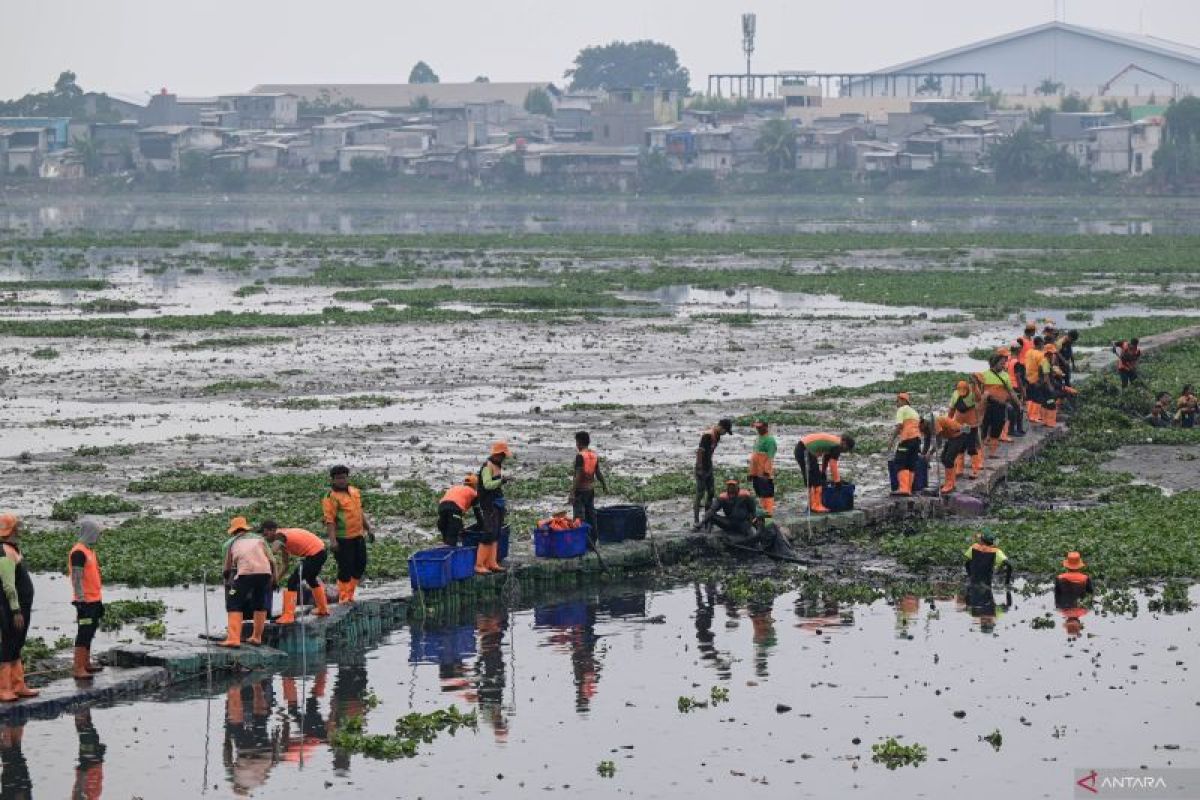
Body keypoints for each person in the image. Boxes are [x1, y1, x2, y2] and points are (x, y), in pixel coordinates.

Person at [260, 521, 329, 625]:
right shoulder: (283, 540)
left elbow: (272, 551)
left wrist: (257, 552)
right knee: (311, 579)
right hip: (320, 552)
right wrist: (275, 580)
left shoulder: (280, 536)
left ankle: (288, 615)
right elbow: (285, 565)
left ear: (273, 530)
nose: (265, 537)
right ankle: (323, 609)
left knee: (292, 582)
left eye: (266, 534)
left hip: (316, 553)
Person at [220, 517, 274, 648]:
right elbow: (272, 561)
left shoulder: (230, 543)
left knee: (233, 603)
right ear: (245, 528)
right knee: (259, 604)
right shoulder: (260, 540)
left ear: (233, 531)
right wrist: (274, 579)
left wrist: (227, 579)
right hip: (265, 574)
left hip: (245, 575)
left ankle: (233, 639)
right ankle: (256, 637)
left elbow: (227, 568)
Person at [323, 465, 373, 604]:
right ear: (332, 480)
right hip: (343, 539)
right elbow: (330, 521)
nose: (341, 480)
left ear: (347, 478)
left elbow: (359, 512)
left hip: (358, 535)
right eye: (338, 478)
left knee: (360, 565)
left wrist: (368, 528)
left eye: (343, 477)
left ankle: (350, 594)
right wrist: (333, 541)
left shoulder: (354, 491)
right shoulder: (331, 497)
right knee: (345, 568)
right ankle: (343, 597)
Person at [0, 516, 35, 702]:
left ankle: (18, 685)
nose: (19, 531)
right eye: (16, 528)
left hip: (22, 606)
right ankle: (4, 688)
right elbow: (8, 586)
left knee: (17, 644)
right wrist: (16, 611)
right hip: (10, 609)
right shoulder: (4, 552)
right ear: (10, 530)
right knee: (8, 644)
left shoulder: (12, 549)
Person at [68, 519, 105, 681]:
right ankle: (78, 668)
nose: (98, 537)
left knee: (90, 631)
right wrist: (81, 601)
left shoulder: (90, 551)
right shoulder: (78, 552)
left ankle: (86, 663)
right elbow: (76, 578)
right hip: (85, 602)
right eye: (97, 534)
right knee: (83, 632)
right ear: (90, 533)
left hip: (94, 599)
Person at [794, 432, 855, 513]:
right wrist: (837, 481)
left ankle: (812, 504)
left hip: (802, 449)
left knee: (812, 477)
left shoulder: (834, 443)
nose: (845, 451)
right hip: (805, 450)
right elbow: (833, 464)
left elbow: (826, 458)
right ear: (844, 443)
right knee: (814, 478)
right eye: (847, 449)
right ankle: (816, 505)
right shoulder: (837, 446)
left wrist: (823, 472)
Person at [477, 441, 513, 574]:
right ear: (497, 454)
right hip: (489, 503)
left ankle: (492, 563)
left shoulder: (497, 465)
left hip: (497, 502)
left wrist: (502, 480)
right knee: (489, 532)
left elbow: (495, 483)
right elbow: (487, 484)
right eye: (503, 455)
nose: (504, 458)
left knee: (496, 532)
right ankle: (479, 564)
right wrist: (502, 481)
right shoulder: (487, 466)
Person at [978, 357, 1021, 458]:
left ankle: (992, 453)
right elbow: (979, 392)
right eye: (1001, 364)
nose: (1003, 366)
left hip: (1000, 406)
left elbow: (1011, 391)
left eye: (1004, 364)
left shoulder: (1005, 376)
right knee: (984, 428)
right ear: (994, 363)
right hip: (987, 406)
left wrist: (1018, 403)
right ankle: (980, 454)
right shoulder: (983, 375)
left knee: (997, 429)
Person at [693, 419, 733, 524]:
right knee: (700, 494)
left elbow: (709, 452)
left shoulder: (717, 436)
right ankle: (696, 521)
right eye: (725, 431)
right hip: (701, 467)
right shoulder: (707, 435)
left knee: (711, 493)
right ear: (721, 427)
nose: (725, 434)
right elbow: (700, 452)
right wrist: (700, 468)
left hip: (709, 466)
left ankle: (707, 518)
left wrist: (709, 468)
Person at [570, 431, 609, 535]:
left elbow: (578, 475)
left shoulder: (580, 456)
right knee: (590, 516)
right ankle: (593, 539)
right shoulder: (593, 455)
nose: (576, 445)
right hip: (590, 490)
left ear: (579, 442)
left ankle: (580, 540)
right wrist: (604, 485)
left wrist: (572, 492)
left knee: (579, 517)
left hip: (580, 491)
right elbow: (598, 473)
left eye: (576, 442)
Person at [921, 413, 966, 495]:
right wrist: (923, 455)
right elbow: (926, 442)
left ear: (923, 422)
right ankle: (949, 482)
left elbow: (939, 443)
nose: (920, 430)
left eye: (920, 427)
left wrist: (930, 454)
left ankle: (950, 485)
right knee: (943, 458)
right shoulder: (924, 427)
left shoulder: (933, 423)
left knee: (948, 459)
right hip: (950, 437)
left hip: (959, 435)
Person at [948, 380, 983, 479]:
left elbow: (979, 398)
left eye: (964, 390)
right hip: (959, 424)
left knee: (971, 447)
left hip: (971, 424)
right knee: (960, 447)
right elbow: (951, 409)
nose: (962, 393)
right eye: (960, 390)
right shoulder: (955, 395)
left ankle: (975, 470)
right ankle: (959, 469)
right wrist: (948, 422)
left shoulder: (972, 393)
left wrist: (975, 386)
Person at [891, 393, 922, 496]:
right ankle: (909, 488)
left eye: (898, 401)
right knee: (911, 464)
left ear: (904, 401)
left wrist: (892, 439)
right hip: (916, 440)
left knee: (900, 462)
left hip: (907, 440)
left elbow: (899, 425)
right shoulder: (914, 412)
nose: (896, 403)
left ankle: (903, 489)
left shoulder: (902, 410)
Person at [438, 474, 483, 547]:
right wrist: (483, 525)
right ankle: (452, 550)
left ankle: (446, 547)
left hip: (442, 507)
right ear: (475, 485)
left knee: (445, 528)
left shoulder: (455, 488)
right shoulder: (473, 493)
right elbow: (477, 512)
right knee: (453, 530)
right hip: (454, 508)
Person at [748, 421, 777, 516]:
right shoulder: (758, 439)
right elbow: (754, 457)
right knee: (760, 494)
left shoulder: (770, 440)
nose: (758, 429)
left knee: (767, 495)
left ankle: (768, 516)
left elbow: (770, 458)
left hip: (764, 474)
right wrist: (751, 473)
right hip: (756, 473)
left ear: (766, 426)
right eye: (757, 427)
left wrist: (766, 472)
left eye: (760, 427)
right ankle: (762, 516)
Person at [1023, 336, 1046, 425]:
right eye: (1042, 343)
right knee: (1037, 398)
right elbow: (1042, 367)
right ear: (1040, 344)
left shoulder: (1028, 352)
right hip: (1036, 379)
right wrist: (1041, 379)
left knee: (1029, 398)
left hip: (1027, 378)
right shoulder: (1041, 354)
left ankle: (1029, 415)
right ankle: (1035, 416)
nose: (1043, 345)